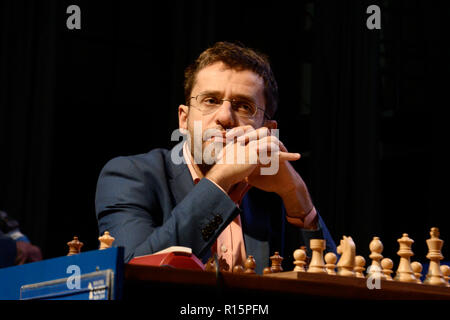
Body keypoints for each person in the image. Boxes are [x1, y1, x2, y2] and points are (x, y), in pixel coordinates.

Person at [95, 41, 336, 274]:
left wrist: (299, 198)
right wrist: (220, 180)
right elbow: (131, 276)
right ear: (183, 119)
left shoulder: (275, 196)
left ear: (268, 130)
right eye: (210, 100)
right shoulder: (129, 176)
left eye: (243, 106)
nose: (225, 116)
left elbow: (335, 289)